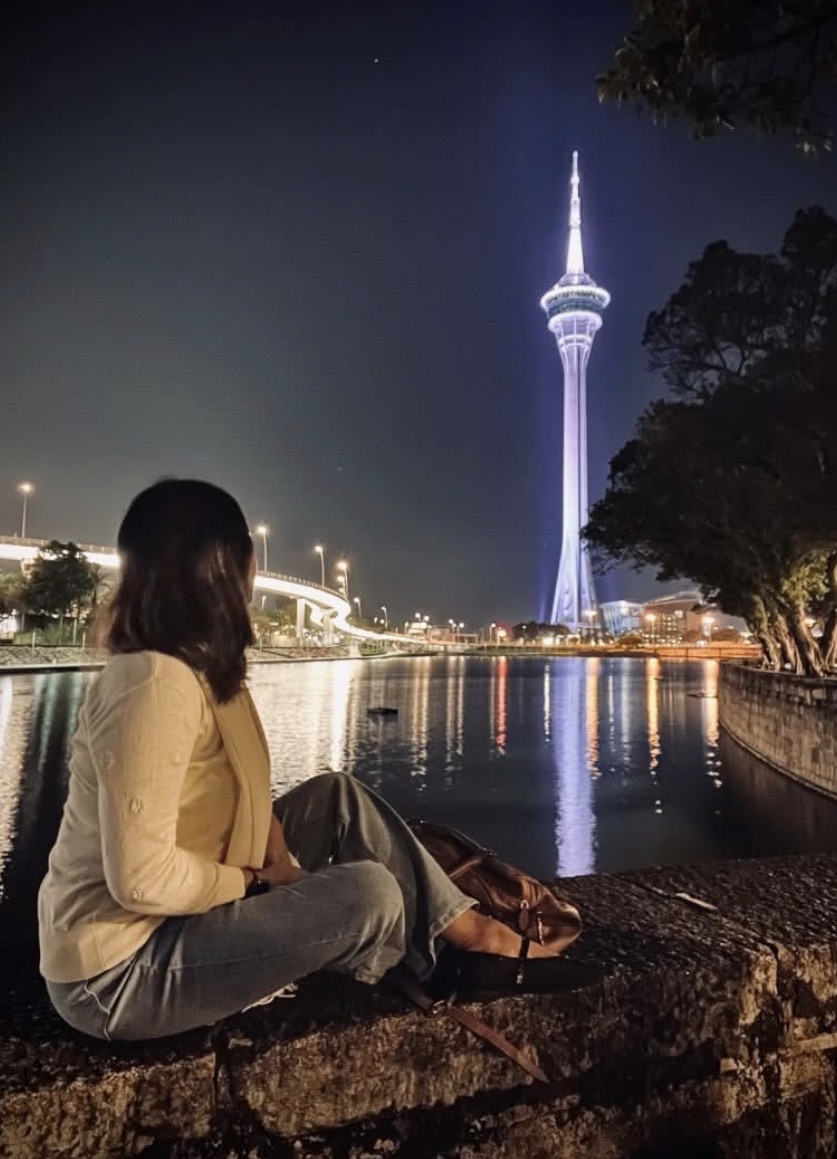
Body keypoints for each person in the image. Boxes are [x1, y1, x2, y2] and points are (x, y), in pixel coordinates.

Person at [38, 479, 577, 1042]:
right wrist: (256, 885)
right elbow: (141, 882)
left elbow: (245, 801)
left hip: (181, 916)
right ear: (230, 570)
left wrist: (282, 864)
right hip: (118, 973)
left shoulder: (207, 673)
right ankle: (442, 955)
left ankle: (474, 936)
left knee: (337, 799)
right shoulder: (153, 682)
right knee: (369, 894)